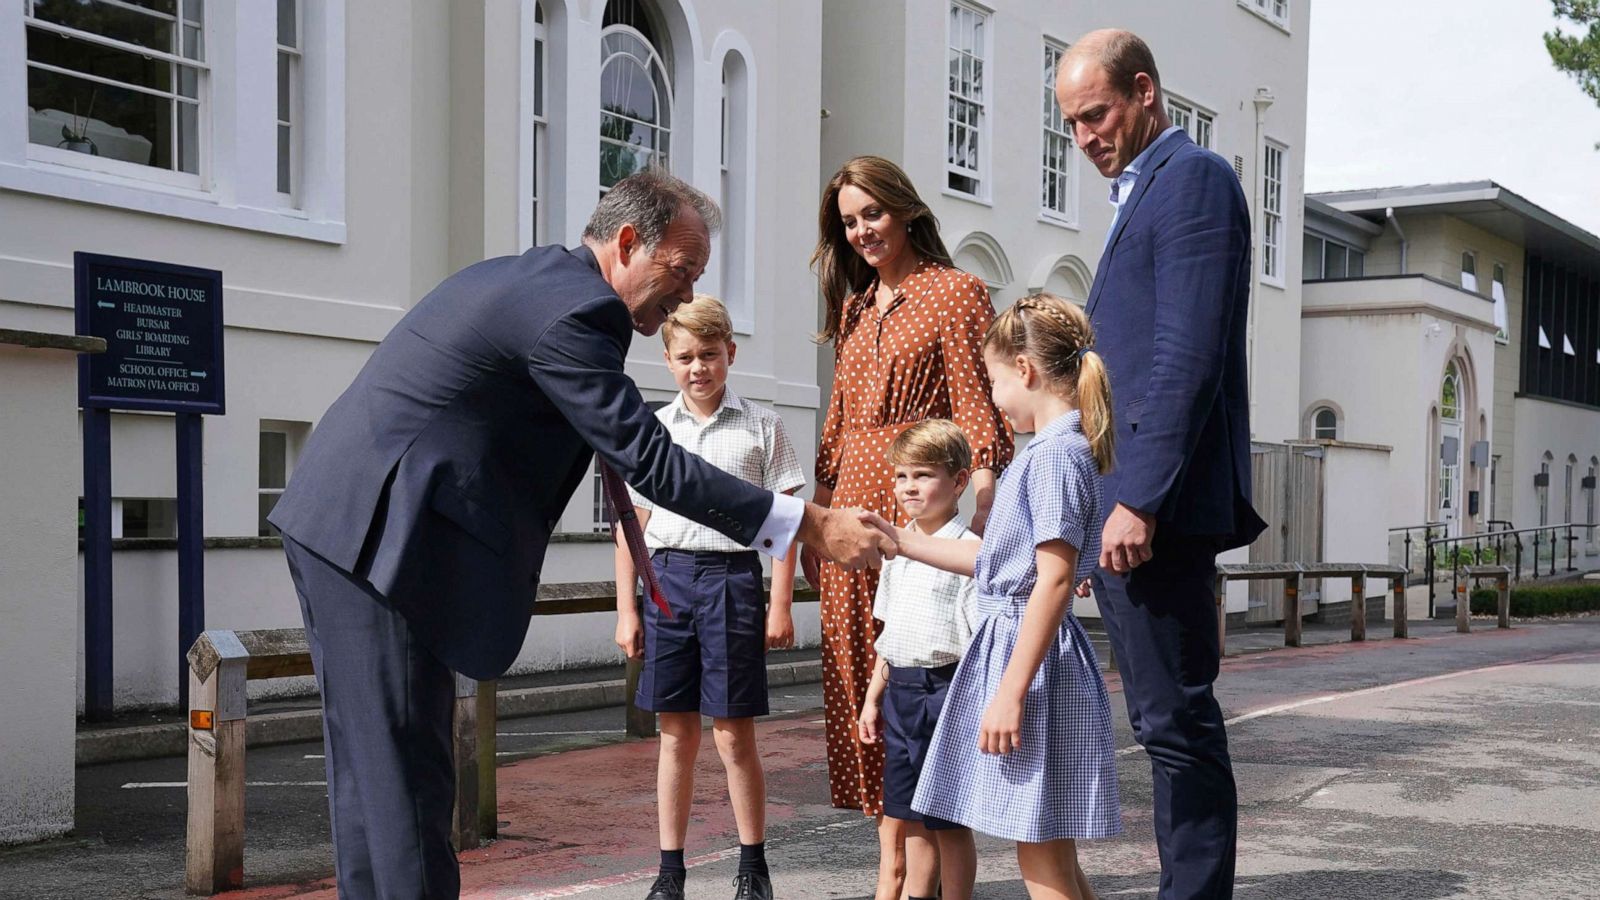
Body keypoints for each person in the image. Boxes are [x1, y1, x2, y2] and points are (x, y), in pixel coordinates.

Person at [267, 170, 894, 900]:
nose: (687, 295)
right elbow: (652, 462)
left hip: (342, 523)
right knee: (406, 783)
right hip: (383, 535)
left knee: (373, 775)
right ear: (629, 243)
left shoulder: (538, 281)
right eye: (682, 270)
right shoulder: (579, 312)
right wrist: (810, 524)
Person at [1055, 30, 1268, 900]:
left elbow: (1185, 356)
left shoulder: (1194, 181)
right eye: (1071, 123)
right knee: (1161, 719)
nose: (1084, 138)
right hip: (1131, 505)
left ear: (1146, 92)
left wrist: (1136, 498)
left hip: (1158, 511)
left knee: (1175, 721)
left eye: (1096, 114)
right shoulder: (1143, 191)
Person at [803, 155, 1013, 900]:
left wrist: (983, 498)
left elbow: (977, 409)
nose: (862, 230)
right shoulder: (857, 309)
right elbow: (832, 433)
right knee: (867, 697)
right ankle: (889, 868)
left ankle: (911, 874)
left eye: (873, 214)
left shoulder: (955, 293)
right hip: (848, 521)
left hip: (910, 511)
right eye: (849, 221)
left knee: (917, 687)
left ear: (906, 211)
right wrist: (815, 527)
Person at [869, 294, 1121, 900]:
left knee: (1041, 861)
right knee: (1052, 855)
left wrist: (1009, 693)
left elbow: (1053, 578)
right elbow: (996, 564)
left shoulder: (1053, 455)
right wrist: (899, 541)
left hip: (1025, 661)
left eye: (993, 378)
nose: (992, 394)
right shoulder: (1051, 449)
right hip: (1028, 652)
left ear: (1025, 370)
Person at [612, 295, 805, 900]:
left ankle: (754, 866)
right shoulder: (655, 430)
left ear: (731, 354)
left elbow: (787, 520)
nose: (699, 368)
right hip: (666, 581)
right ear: (668, 361)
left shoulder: (762, 425)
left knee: (732, 732)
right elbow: (630, 528)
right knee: (675, 732)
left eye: (711, 355)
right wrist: (627, 609)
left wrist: (780, 602)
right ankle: (670, 872)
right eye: (686, 357)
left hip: (731, 580)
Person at [856, 420, 982, 900]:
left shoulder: (969, 552)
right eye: (903, 475)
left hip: (946, 692)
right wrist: (872, 700)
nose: (909, 486)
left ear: (959, 481)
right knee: (908, 814)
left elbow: (977, 642)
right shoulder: (895, 548)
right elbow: (889, 636)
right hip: (901, 695)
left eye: (924, 474)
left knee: (947, 821)